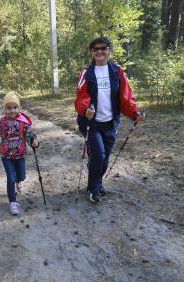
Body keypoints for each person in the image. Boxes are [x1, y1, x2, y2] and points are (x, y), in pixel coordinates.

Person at [75, 37, 145, 203]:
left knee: (104, 158)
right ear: (92, 53)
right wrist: (86, 110)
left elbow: (126, 97)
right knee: (98, 154)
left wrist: (135, 112)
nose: (99, 51)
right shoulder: (87, 73)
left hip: (111, 122)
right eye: (95, 49)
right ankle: (94, 189)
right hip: (92, 123)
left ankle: (96, 183)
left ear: (108, 51)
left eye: (103, 48)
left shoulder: (117, 71)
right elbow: (81, 97)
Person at [0, 92, 39, 215]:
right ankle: (12, 202)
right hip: (6, 156)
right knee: (11, 178)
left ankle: (18, 181)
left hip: (20, 155)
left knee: (21, 176)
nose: (12, 110)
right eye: (9, 108)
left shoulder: (23, 122)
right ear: (4, 109)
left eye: (15, 107)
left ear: (18, 108)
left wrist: (34, 141)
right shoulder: (0, 123)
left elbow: (30, 134)